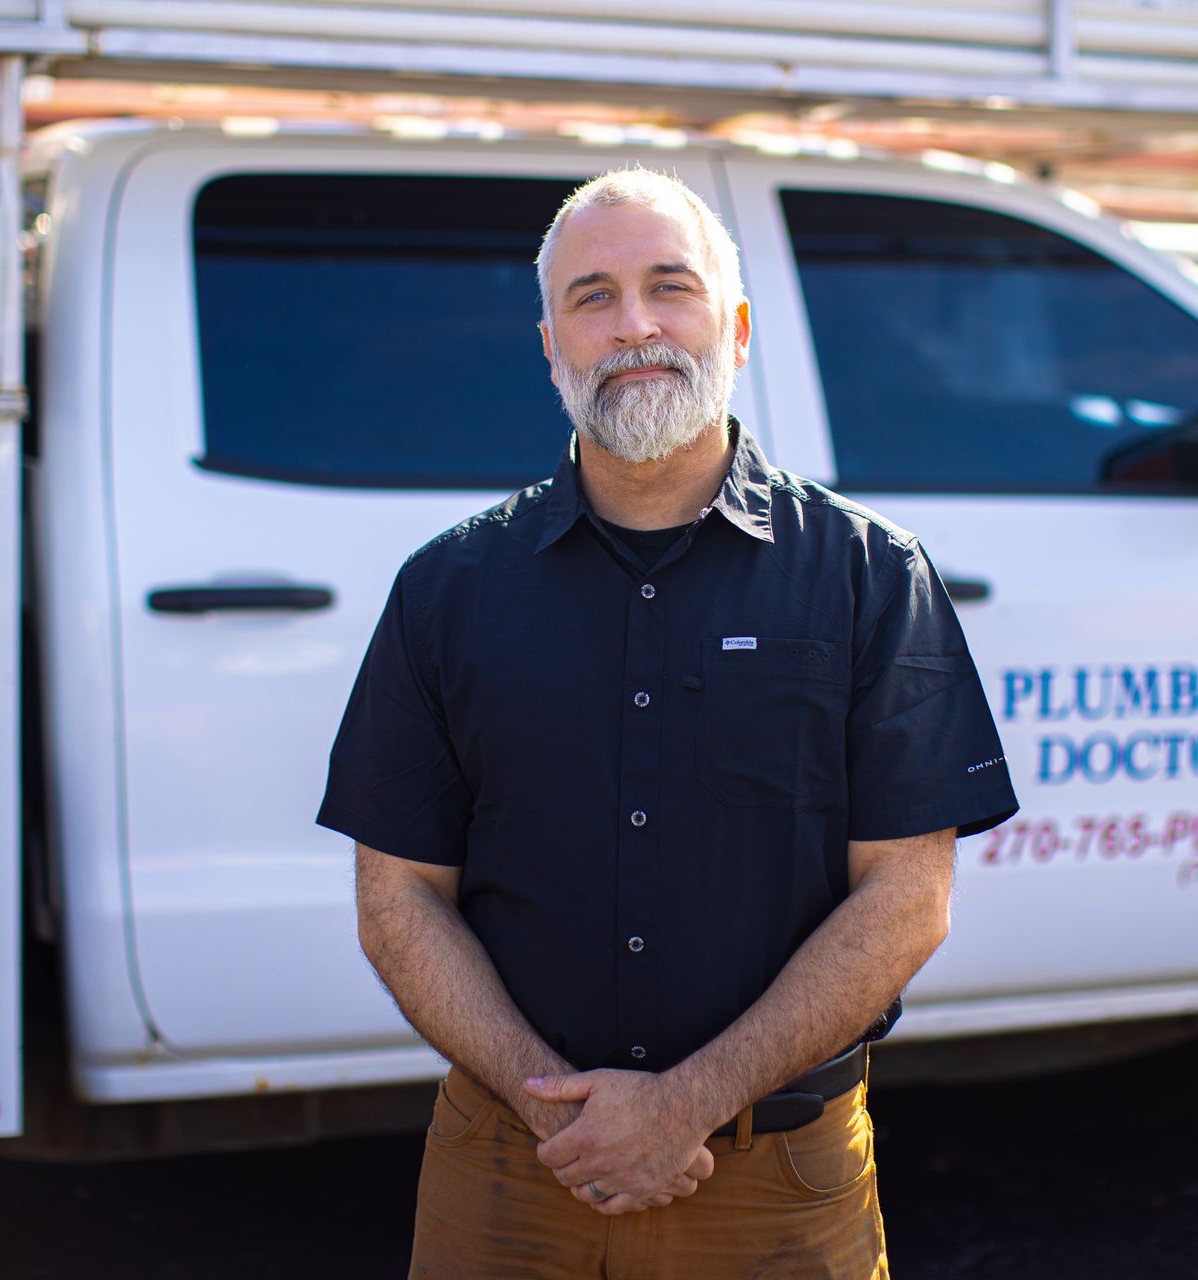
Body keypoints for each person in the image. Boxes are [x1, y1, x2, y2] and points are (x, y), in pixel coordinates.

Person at [316, 168, 1017, 1278]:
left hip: (774, 1186)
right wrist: (563, 1113)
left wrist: (687, 1100)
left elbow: (906, 900)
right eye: (592, 297)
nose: (634, 325)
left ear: (734, 327)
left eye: (669, 288)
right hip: (507, 1176)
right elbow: (397, 895)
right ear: (552, 346)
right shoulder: (447, 589)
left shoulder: (869, 577)